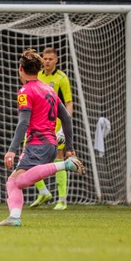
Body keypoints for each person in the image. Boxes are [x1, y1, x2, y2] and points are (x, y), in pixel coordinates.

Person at [0, 49, 86, 227]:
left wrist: (11, 151)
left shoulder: (25, 91)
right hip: (51, 144)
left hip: (37, 144)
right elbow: (67, 119)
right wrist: (69, 147)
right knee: (13, 182)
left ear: (20, 69)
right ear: (38, 70)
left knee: (18, 181)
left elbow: (23, 123)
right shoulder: (49, 89)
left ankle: (65, 165)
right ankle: (14, 217)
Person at [29, 46, 75, 210]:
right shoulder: (37, 76)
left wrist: (64, 126)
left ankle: (62, 199)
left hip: (55, 125)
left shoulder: (62, 78)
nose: (47, 61)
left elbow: (68, 102)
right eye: (45, 58)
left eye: (50, 59)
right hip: (37, 124)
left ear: (56, 60)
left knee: (59, 156)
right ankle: (43, 191)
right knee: (28, 154)